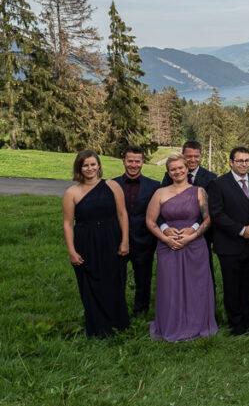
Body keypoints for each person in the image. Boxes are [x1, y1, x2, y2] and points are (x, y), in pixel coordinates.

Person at [146, 151, 217, 341]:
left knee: (196, 287)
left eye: (180, 168)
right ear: (168, 172)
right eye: (172, 169)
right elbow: (150, 220)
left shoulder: (199, 191)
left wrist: (190, 236)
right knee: (169, 286)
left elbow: (207, 219)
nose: (177, 172)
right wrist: (165, 237)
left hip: (194, 245)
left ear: (187, 168)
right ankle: (172, 324)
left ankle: (196, 324)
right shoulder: (160, 193)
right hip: (168, 246)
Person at [61, 150, 130, 338]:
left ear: (99, 165)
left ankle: (118, 325)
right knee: (90, 284)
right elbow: (67, 224)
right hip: (86, 242)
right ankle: (97, 327)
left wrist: (125, 241)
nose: (90, 168)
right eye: (85, 165)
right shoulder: (71, 193)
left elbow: (122, 214)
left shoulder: (112, 186)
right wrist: (72, 251)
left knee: (114, 281)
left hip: (112, 239)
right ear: (79, 168)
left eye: (93, 164)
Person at [208, 146, 249, 335]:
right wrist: (242, 230)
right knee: (232, 286)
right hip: (230, 244)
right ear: (231, 162)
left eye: (247, 160)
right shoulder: (219, 184)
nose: (244, 164)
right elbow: (217, 214)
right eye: (240, 161)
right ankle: (236, 324)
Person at [112, 145, 160, 317]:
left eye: (137, 161)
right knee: (116, 279)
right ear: (124, 161)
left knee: (143, 280)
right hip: (117, 241)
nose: (133, 165)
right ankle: (117, 311)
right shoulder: (111, 184)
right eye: (130, 161)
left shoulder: (155, 186)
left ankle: (141, 312)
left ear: (142, 163)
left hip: (144, 241)